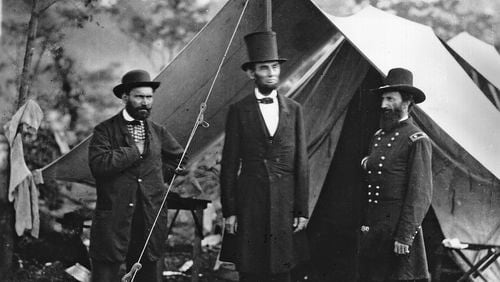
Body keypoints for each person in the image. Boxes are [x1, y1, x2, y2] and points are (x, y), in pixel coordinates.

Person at [220, 31, 309, 282]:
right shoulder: (238, 111)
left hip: (285, 203)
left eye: (274, 67)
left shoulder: (294, 110)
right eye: (264, 68)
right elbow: (229, 165)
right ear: (251, 73)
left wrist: (302, 209)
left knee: (282, 268)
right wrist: (230, 211)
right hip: (249, 202)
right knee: (250, 269)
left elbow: (301, 162)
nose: (271, 73)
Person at [88, 69, 184, 282]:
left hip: (148, 219)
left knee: (148, 275)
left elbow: (180, 158)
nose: (145, 102)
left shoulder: (158, 131)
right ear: (125, 97)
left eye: (149, 97)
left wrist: (158, 176)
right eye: (139, 97)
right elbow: (98, 165)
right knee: (105, 275)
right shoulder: (104, 130)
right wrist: (134, 151)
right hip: (114, 220)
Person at [359, 68, 433, 282]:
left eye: (390, 99)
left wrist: (404, 236)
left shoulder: (417, 140)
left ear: (407, 101)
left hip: (397, 232)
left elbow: (420, 194)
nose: (383, 105)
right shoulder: (379, 136)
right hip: (374, 230)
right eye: (383, 99)